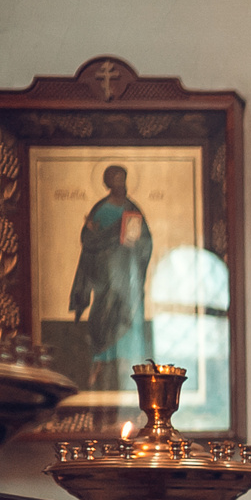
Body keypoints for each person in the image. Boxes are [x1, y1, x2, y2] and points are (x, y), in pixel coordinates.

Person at [72, 162, 152, 392]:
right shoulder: (102, 209)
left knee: (129, 313)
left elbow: (145, 241)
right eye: (117, 180)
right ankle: (99, 363)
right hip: (106, 274)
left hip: (128, 274)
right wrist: (104, 238)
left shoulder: (133, 209)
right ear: (108, 184)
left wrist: (136, 243)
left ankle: (130, 370)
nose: (122, 185)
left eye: (124, 179)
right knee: (103, 313)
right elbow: (89, 241)